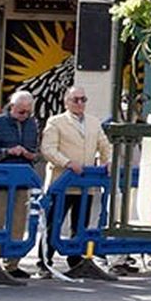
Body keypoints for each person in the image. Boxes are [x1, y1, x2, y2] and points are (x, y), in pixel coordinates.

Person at [41, 86, 114, 274]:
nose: (80, 103)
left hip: (85, 184)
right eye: (75, 100)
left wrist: (108, 162)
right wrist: (67, 163)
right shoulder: (55, 122)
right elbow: (48, 149)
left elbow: (105, 146)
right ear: (66, 101)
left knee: (80, 224)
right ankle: (45, 261)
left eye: (83, 99)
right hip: (61, 184)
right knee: (53, 223)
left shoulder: (94, 122)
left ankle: (75, 260)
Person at [0, 90, 40, 278]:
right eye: (21, 111)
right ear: (11, 107)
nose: (24, 115)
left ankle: (12, 263)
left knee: (18, 223)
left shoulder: (32, 124)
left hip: (23, 180)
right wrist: (8, 151)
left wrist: (29, 154)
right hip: (1, 179)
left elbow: (36, 153)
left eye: (28, 111)